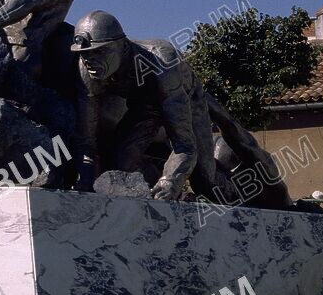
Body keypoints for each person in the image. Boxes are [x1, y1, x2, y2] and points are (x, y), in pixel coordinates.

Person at [71, 11, 240, 204]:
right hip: (144, 104)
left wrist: (171, 181)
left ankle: (242, 198)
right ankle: (155, 177)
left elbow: (184, 145)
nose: (89, 60)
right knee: (119, 165)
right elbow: (86, 141)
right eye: (84, 54)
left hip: (186, 99)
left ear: (123, 46)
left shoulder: (161, 61)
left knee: (204, 180)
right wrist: (86, 181)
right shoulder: (87, 70)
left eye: (99, 51)